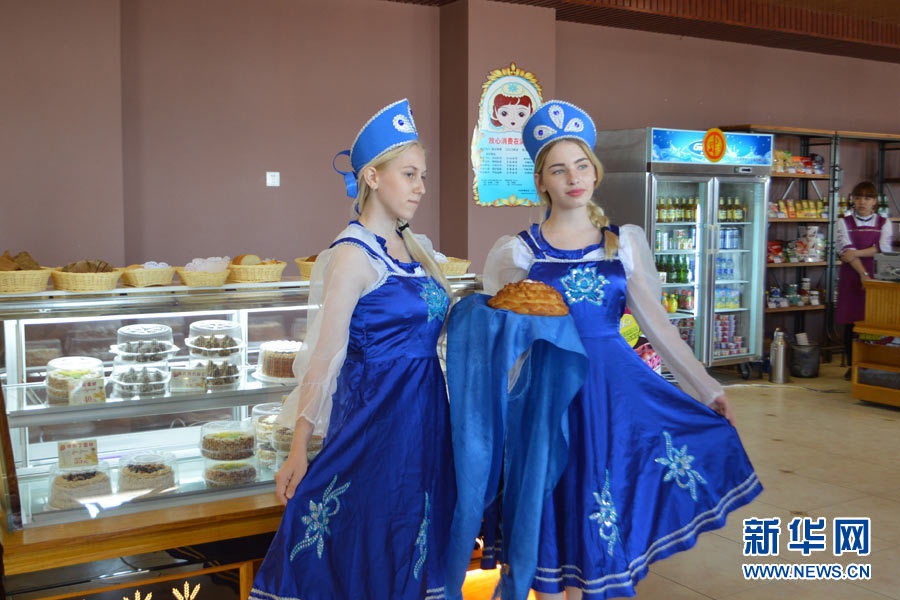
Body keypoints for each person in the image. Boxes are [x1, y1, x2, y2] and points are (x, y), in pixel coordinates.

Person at [483, 100, 761, 600]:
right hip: (548, 396)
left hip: (613, 395)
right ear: (541, 181)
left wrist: (706, 388)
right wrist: (500, 409)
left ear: (596, 171)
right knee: (550, 498)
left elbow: (660, 329)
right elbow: (504, 338)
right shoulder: (518, 251)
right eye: (559, 169)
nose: (574, 178)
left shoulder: (621, 244)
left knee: (600, 496)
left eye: (582, 165)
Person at [250, 99, 455, 600]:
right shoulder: (352, 255)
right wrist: (299, 448)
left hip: (424, 421)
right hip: (375, 422)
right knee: (369, 539)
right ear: (372, 176)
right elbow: (325, 358)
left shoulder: (416, 249)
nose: (421, 187)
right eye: (409, 175)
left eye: (422, 176)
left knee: (411, 536)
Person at [835, 181, 892, 379]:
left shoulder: (884, 222)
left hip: (877, 276)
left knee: (873, 319)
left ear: (875, 201)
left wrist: (857, 253)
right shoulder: (844, 221)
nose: (862, 202)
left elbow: (883, 248)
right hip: (852, 276)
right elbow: (845, 251)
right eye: (858, 197)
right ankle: (853, 365)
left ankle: (872, 362)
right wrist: (863, 274)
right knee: (851, 321)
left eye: (867, 198)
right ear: (853, 200)